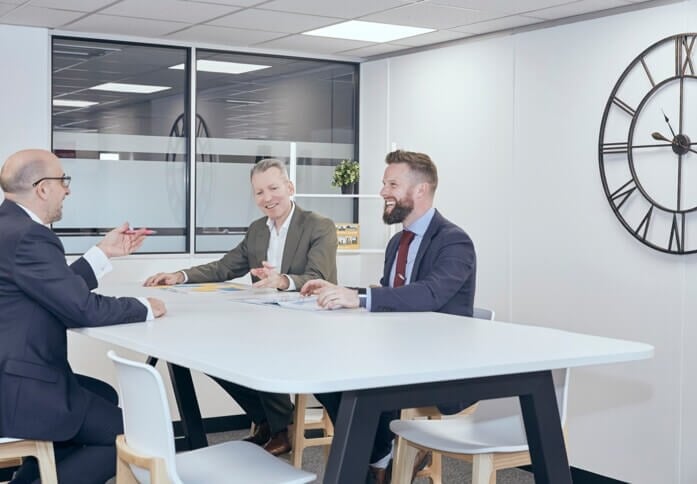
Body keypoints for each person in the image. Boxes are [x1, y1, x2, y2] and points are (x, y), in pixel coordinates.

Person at [301, 149, 476, 484]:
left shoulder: (455, 241)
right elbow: (389, 295)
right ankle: (381, 457)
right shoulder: (397, 243)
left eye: (392, 184)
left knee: (359, 387)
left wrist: (360, 297)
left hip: (438, 363)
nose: (383, 192)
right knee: (324, 376)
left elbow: (429, 294)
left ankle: (376, 461)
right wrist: (339, 289)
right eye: (384, 184)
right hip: (395, 354)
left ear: (421, 190)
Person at [144, 158, 338, 456]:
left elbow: (318, 277)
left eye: (273, 188)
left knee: (258, 352)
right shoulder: (258, 230)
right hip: (268, 322)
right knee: (214, 357)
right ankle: (268, 421)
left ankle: (281, 428)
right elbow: (224, 267)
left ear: (290, 187)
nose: (267, 198)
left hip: (310, 325)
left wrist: (283, 281)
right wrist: (179, 276)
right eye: (259, 192)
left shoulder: (319, 225)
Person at [0, 149, 167, 484]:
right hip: (20, 388)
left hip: (12, 373)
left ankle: (34, 476)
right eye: (64, 180)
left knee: (103, 394)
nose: (68, 190)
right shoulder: (30, 236)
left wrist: (103, 253)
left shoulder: (9, 227)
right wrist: (146, 306)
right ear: (42, 188)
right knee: (135, 438)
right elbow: (81, 309)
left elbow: (51, 289)